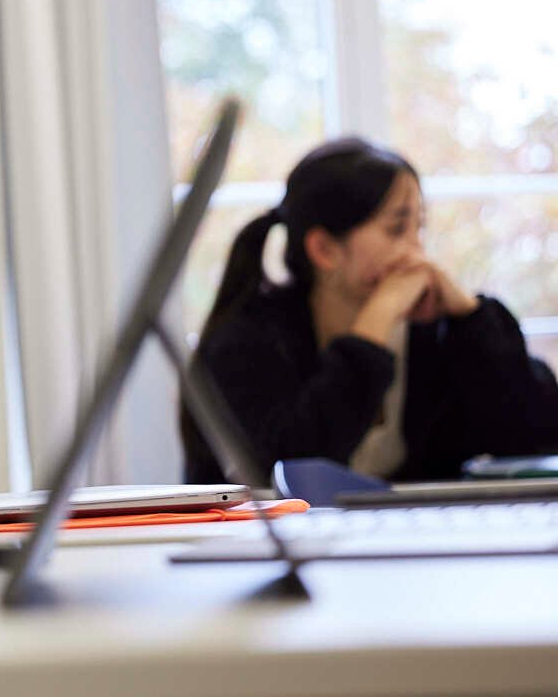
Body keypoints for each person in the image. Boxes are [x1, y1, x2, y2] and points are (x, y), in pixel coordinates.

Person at [182, 136, 558, 484]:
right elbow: (289, 469)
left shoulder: (435, 332)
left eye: (419, 228)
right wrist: (376, 322)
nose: (416, 252)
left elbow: (535, 436)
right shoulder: (249, 340)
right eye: (397, 230)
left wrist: (471, 317)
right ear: (325, 250)